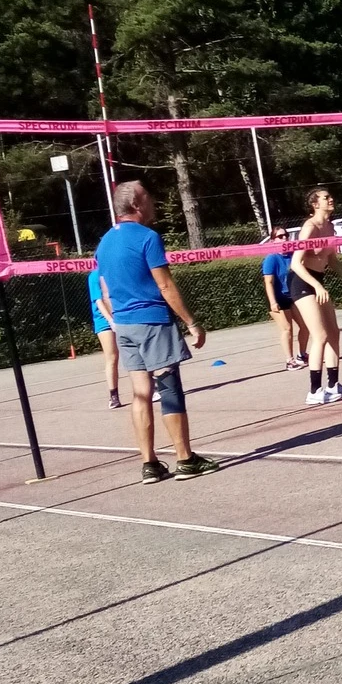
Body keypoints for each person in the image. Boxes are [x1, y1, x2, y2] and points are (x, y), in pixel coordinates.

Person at [93, 181, 219, 483]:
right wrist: (191, 322)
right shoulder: (148, 237)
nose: (153, 203)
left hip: (123, 324)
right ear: (137, 204)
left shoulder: (105, 242)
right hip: (151, 321)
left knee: (140, 394)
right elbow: (165, 285)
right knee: (169, 388)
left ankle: (149, 464)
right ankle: (185, 460)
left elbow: (105, 289)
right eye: (149, 197)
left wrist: (119, 317)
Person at [288, 187, 342, 404]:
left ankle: (333, 386)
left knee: (334, 333)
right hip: (303, 281)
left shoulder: (330, 227)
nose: (331, 199)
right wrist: (317, 286)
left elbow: (332, 261)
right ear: (315, 204)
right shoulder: (310, 227)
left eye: (330, 196)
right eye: (326, 198)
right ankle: (314, 391)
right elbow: (296, 264)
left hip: (318, 281)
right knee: (320, 335)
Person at [261, 228, 310, 370]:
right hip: (278, 297)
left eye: (286, 235)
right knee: (287, 329)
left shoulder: (293, 255)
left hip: (293, 295)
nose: (284, 238)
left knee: (305, 326)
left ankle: (302, 354)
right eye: (280, 236)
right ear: (273, 240)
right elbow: (268, 282)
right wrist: (273, 302)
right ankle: (290, 361)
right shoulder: (271, 258)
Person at [88, 268, 125, 409]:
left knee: (138, 352)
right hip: (104, 321)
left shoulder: (116, 270)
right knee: (112, 357)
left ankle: (151, 388)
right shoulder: (94, 276)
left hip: (123, 316)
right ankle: (113, 396)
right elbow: (99, 301)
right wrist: (111, 320)